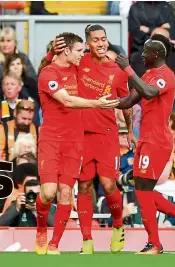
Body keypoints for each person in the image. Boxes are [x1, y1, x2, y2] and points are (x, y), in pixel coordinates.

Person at [48, 24, 136, 254]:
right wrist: (53, 49)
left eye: (103, 39)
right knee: (84, 186)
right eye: (95, 40)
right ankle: (86, 239)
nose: (101, 43)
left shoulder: (117, 70)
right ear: (87, 44)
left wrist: (131, 131)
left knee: (108, 185)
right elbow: (55, 65)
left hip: (107, 135)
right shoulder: (80, 61)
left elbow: (126, 105)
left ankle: (118, 225)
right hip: (80, 135)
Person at [34, 32, 120, 255]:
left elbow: (99, 62)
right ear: (66, 51)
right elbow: (67, 100)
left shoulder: (78, 68)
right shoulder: (48, 73)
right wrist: (97, 103)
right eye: (79, 51)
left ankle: (54, 244)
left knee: (65, 193)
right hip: (51, 140)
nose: (83, 55)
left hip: (75, 140)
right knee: (48, 192)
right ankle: (41, 228)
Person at [115, 34, 175, 255]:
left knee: (142, 191)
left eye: (146, 51)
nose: (142, 54)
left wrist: (128, 70)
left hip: (157, 140)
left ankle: (155, 243)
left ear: (157, 54)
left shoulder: (166, 75)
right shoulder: (148, 74)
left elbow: (150, 92)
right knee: (144, 191)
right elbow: (129, 100)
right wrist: (102, 101)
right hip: (146, 139)